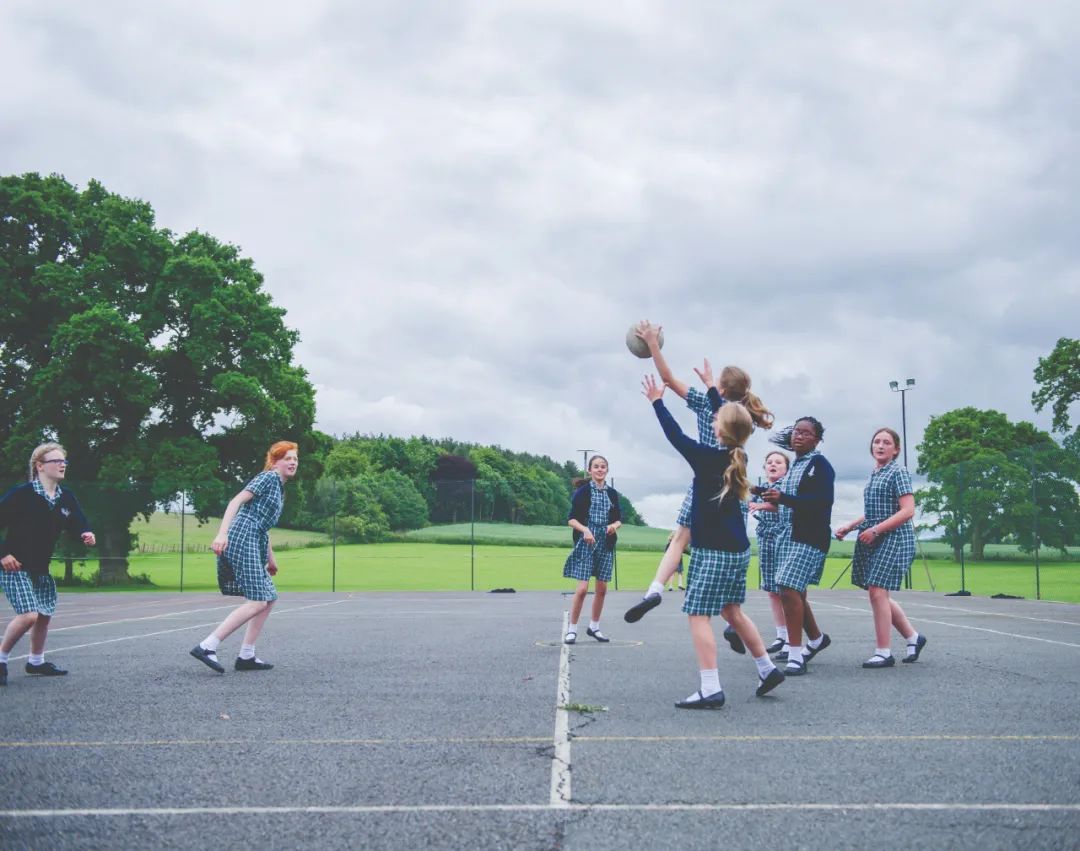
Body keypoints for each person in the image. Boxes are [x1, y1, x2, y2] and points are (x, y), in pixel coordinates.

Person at [625, 322, 773, 650]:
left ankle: (655, 590)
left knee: (681, 540)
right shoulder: (740, 414)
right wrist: (710, 384)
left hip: (705, 482)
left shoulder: (710, 408)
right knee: (726, 551)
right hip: (733, 488)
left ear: (722, 389)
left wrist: (653, 347)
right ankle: (735, 619)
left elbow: (667, 380)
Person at [643, 374, 784, 708]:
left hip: (714, 552)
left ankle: (710, 688)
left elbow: (674, 434)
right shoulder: (739, 456)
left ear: (718, 428)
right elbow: (727, 415)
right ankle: (766, 668)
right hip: (738, 551)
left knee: (697, 614)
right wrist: (710, 388)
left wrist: (656, 401)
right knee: (732, 611)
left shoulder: (708, 458)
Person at [190, 441, 299, 674]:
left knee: (268, 598)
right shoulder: (268, 478)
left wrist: (271, 558)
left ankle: (246, 655)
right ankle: (207, 646)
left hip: (254, 537)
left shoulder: (280, 487)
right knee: (258, 600)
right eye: (287, 458)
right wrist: (222, 534)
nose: (292, 462)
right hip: (242, 536)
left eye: (295, 459)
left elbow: (264, 525)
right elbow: (236, 502)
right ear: (275, 461)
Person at [0, 443, 95, 686]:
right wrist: (4, 554)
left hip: (40, 566)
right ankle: (1, 659)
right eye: (56, 461)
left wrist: (85, 533)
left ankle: (36, 662)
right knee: (29, 615)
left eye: (64, 461)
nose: (62, 465)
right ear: (39, 466)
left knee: (44, 615)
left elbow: (78, 523)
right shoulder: (21, 494)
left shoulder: (66, 497)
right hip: (15, 566)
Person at [835, 427, 927, 668]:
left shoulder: (898, 472)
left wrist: (876, 530)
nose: (881, 445)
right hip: (875, 538)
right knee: (878, 593)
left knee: (877, 591)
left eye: (887, 442)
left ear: (896, 449)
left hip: (895, 539)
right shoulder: (875, 473)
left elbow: (907, 511)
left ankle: (883, 652)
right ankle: (914, 638)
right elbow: (873, 513)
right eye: (877, 442)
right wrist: (851, 526)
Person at [760, 418, 834, 676]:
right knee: (795, 592)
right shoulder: (795, 467)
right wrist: (769, 495)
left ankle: (794, 654)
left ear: (817, 439)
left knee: (787, 587)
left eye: (806, 433)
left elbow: (821, 501)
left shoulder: (820, 465)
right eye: (796, 432)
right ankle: (815, 639)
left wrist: (784, 498)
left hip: (810, 537)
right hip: (789, 536)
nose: (799, 436)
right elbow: (789, 499)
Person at [563, 455, 622, 644]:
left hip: (606, 543)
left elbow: (619, 519)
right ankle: (572, 630)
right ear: (590, 470)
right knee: (582, 589)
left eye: (603, 466)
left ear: (607, 470)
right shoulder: (582, 492)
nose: (600, 469)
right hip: (586, 542)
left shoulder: (612, 493)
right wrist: (585, 530)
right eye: (596, 466)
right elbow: (571, 519)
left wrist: (614, 526)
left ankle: (594, 627)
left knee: (602, 589)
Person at [748, 450, 791, 653]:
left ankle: (792, 637)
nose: (773, 465)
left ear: (786, 468)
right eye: (769, 462)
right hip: (765, 538)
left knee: (785, 590)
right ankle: (781, 635)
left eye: (778, 462)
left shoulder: (785, 487)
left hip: (782, 538)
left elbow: (781, 506)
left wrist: (761, 506)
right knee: (772, 590)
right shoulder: (763, 489)